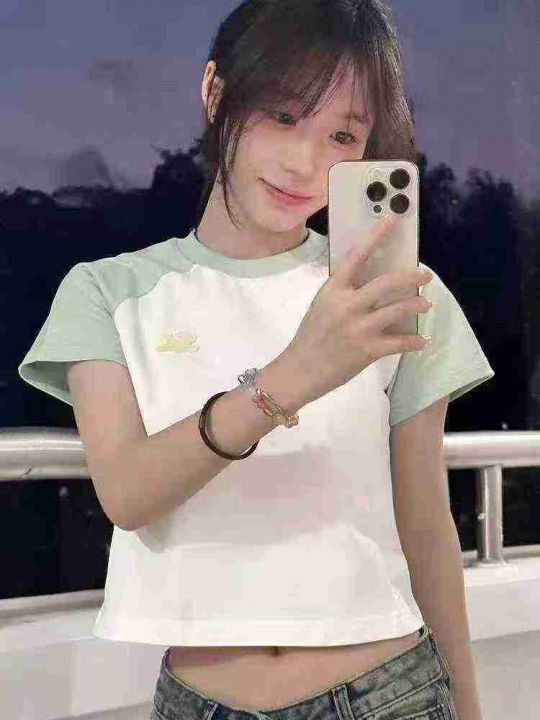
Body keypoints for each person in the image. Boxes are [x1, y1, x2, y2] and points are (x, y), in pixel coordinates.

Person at [18, 1, 495, 718]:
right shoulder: (108, 293)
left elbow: (425, 521)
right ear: (216, 94)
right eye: (282, 116)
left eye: (342, 134)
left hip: (391, 694)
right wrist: (291, 377)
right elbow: (127, 492)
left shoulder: (396, 296)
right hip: (202, 703)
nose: (306, 162)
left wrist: (469, 706)